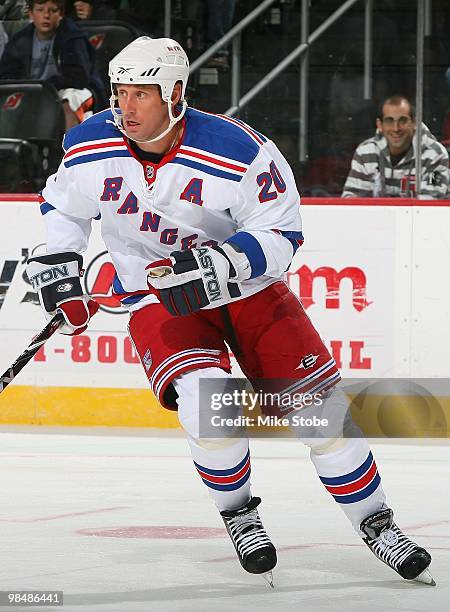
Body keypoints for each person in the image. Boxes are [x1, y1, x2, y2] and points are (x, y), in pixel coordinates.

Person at [26, 37, 435, 587]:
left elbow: (284, 233)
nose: (125, 106)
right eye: (120, 92)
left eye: (140, 94)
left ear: (175, 94)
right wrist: (59, 263)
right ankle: (240, 515)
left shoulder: (239, 150)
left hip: (248, 292)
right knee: (205, 404)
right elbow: (64, 208)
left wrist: (222, 264)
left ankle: (377, 524)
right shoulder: (89, 143)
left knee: (323, 417)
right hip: (157, 297)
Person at [0, 0, 105, 128]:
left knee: (68, 101)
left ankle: (67, 147)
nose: (46, 15)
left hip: (74, 88)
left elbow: (78, 77)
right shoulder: (20, 40)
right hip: (33, 90)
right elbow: (7, 75)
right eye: (40, 10)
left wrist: (46, 87)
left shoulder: (73, 37)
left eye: (53, 10)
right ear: (31, 14)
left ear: (61, 14)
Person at [342, 94, 449, 198]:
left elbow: (428, 207)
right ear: (380, 125)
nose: (396, 128)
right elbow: (350, 200)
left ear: (414, 123)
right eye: (389, 121)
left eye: (403, 120)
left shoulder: (435, 155)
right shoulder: (365, 153)